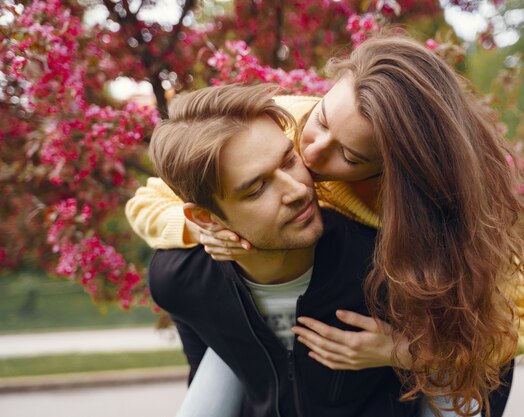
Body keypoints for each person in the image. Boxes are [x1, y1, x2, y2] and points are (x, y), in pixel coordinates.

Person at [127, 34, 524, 416]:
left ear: (393, 170)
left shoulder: (433, 214)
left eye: (349, 157)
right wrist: (205, 230)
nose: (310, 156)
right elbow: (153, 199)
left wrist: (404, 351)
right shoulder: (284, 126)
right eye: (322, 120)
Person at [147, 83, 422, 417]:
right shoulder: (179, 278)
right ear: (205, 218)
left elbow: (486, 365)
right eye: (257, 188)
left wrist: (412, 353)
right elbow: (210, 369)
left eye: (289, 160)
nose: (297, 190)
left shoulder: (389, 268)